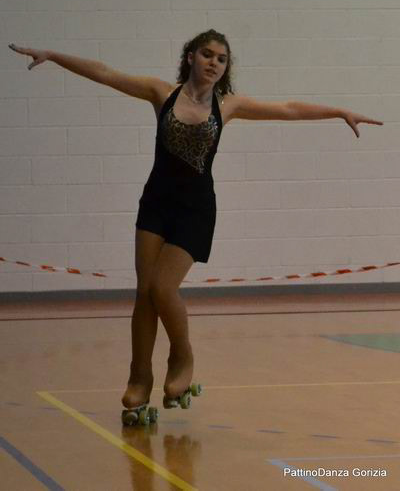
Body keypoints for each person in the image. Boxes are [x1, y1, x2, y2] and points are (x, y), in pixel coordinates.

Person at [8, 30, 383, 418]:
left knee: (162, 288)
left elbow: (287, 108)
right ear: (190, 57)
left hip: (196, 211)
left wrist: (338, 111)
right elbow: (106, 73)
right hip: (155, 204)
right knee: (144, 294)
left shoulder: (228, 105)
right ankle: (139, 378)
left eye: (221, 59)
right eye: (207, 54)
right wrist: (53, 55)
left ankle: (182, 355)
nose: (213, 63)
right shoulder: (161, 93)